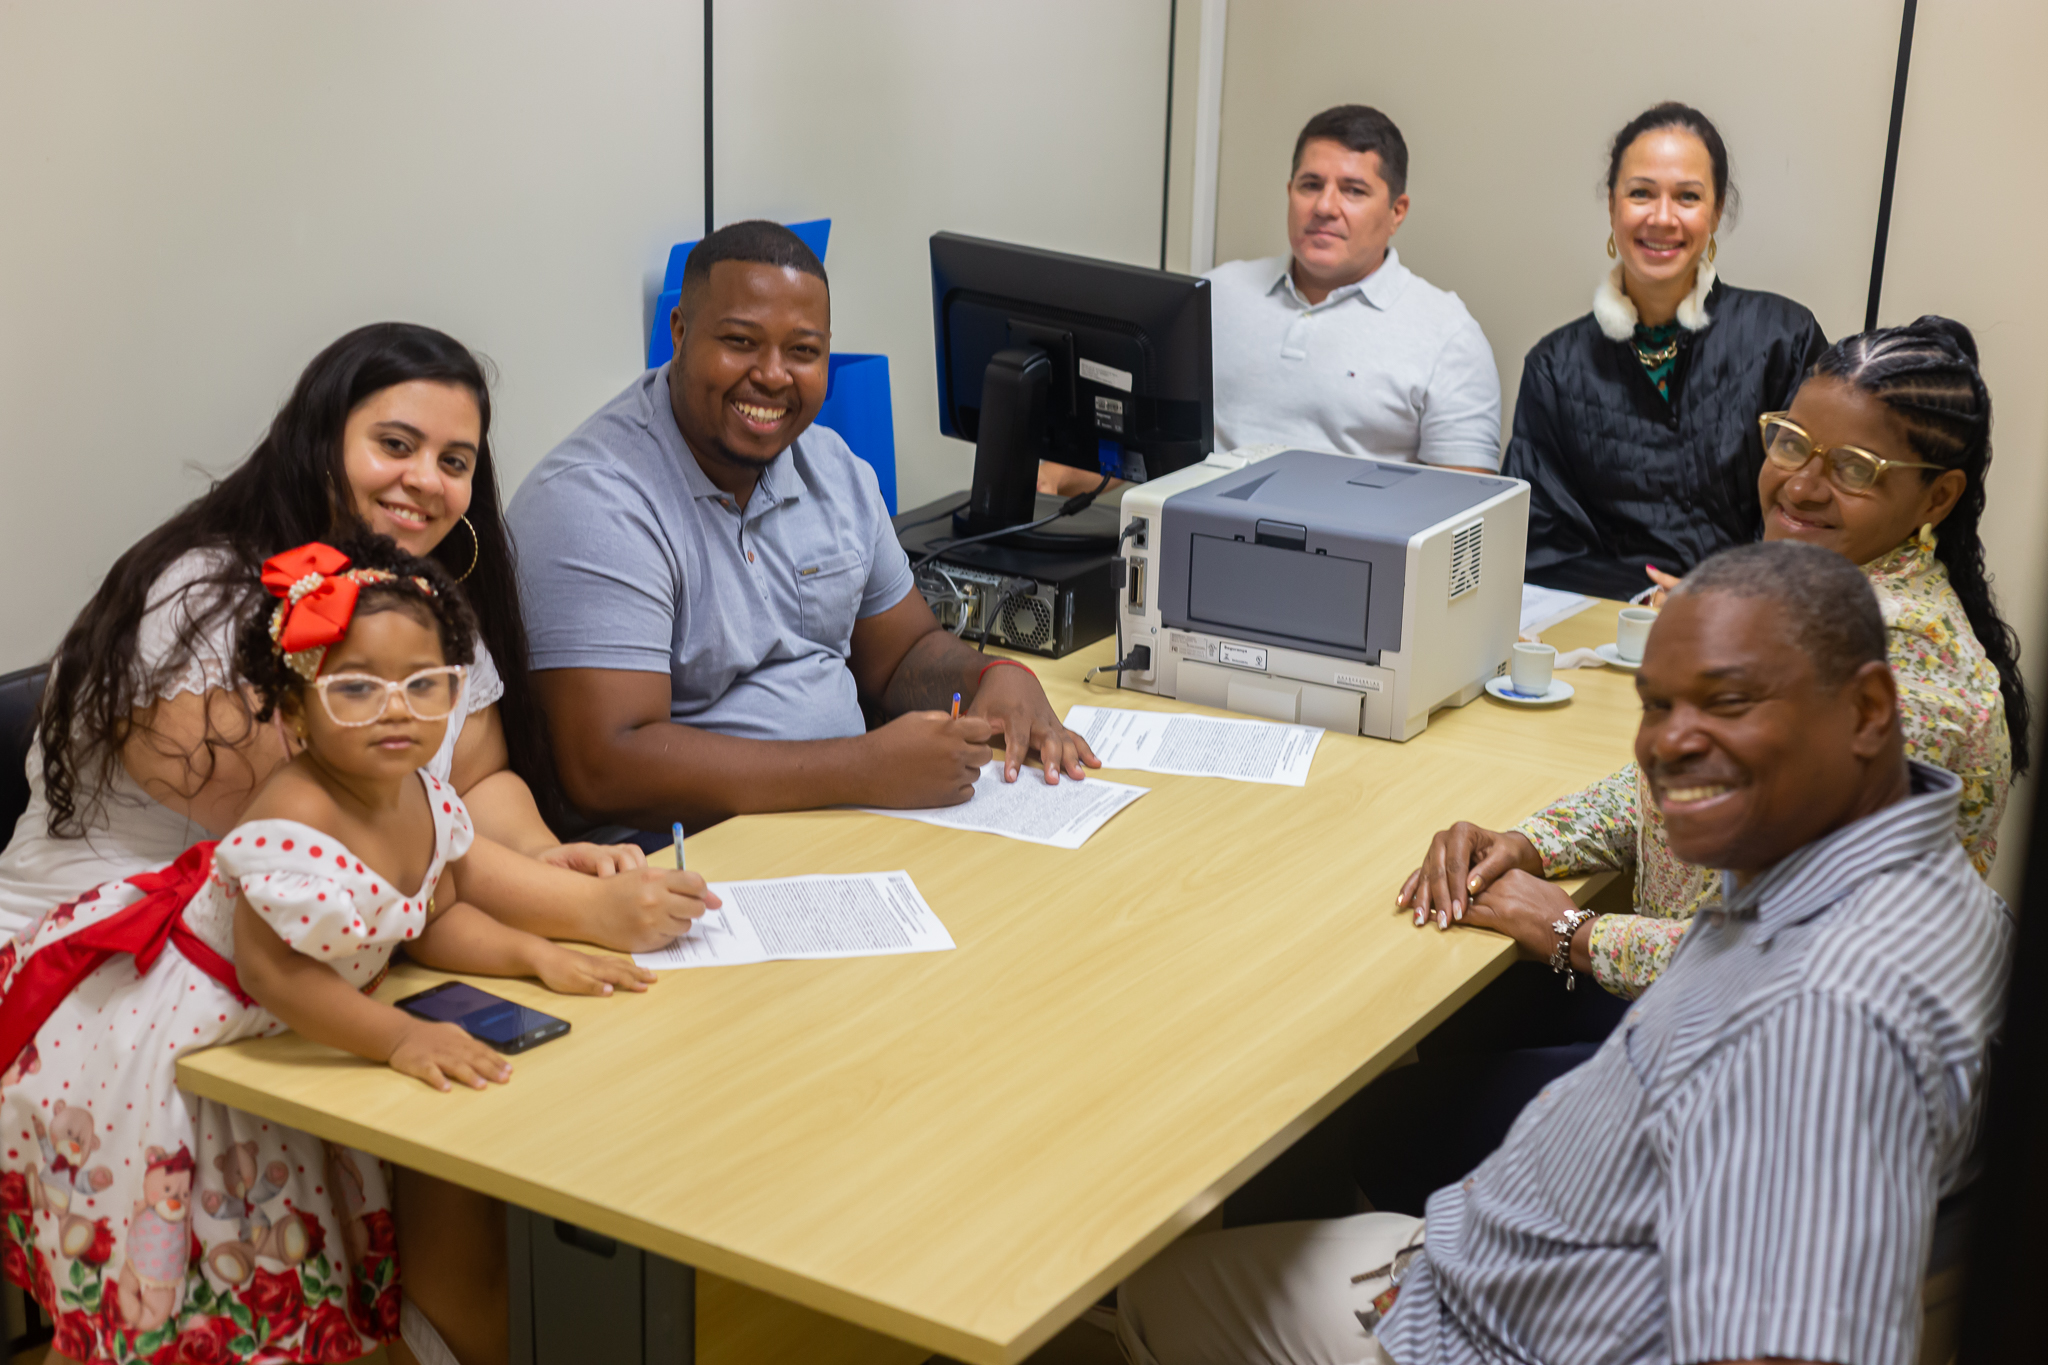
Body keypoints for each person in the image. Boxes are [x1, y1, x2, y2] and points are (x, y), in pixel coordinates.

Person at [1117, 542, 2013, 1365]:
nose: (1668, 745)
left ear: (1869, 710)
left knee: (1151, 1289)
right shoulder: (1897, 874)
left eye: (1729, 701)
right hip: (1510, 1271)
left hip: (1491, 1334)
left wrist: (1462, 1298)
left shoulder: (1820, 1020)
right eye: (1658, 704)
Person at [0, 537, 679, 1365]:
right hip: (198, 1037)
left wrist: (534, 955)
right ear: (293, 712)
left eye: (425, 686)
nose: (398, 710)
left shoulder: (422, 790)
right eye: (356, 688)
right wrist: (399, 1036)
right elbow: (271, 971)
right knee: (177, 1276)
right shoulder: (294, 816)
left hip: (307, 1015)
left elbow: (432, 914)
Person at [2, 322, 703, 957]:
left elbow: (478, 778)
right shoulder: (197, 595)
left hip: (318, 962)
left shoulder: (415, 599)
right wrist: (576, 909)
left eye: (455, 461)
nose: (426, 480)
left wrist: (542, 855)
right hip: (107, 968)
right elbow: (345, 832)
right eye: (396, 445)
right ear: (320, 443)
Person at [509, 221, 1096, 834]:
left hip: (842, 825)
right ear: (679, 334)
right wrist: (862, 770)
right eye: (740, 341)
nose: (772, 374)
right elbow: (606, 767)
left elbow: (901, 657)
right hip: (683, 864)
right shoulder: (594, 499)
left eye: (803, 351)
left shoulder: (833, 468)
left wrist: (993, 677)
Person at [1045, 104, 1499, 496]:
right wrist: (1054, 474)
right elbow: (1139, 449)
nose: (1324, 206)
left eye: (1353, 191)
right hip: (1186, 555)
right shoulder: (1213, 296)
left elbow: (1463, 516)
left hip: (1347, 576)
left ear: (1396, 212)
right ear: (1289, 193)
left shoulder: (1447, 334)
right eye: (1310, 185)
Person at [1505, 102, 1826, 599]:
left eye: (1687, 197)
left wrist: (1724, 595)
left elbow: (1809, 506)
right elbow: (1540, 542)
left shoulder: (1783, 337)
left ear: (1716, 211)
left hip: (1757, 625)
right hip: (1612, 626)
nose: (1661, 218)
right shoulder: (1555, 367)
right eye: (1640, 194)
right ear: (1612, 205)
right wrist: (1646, 595)